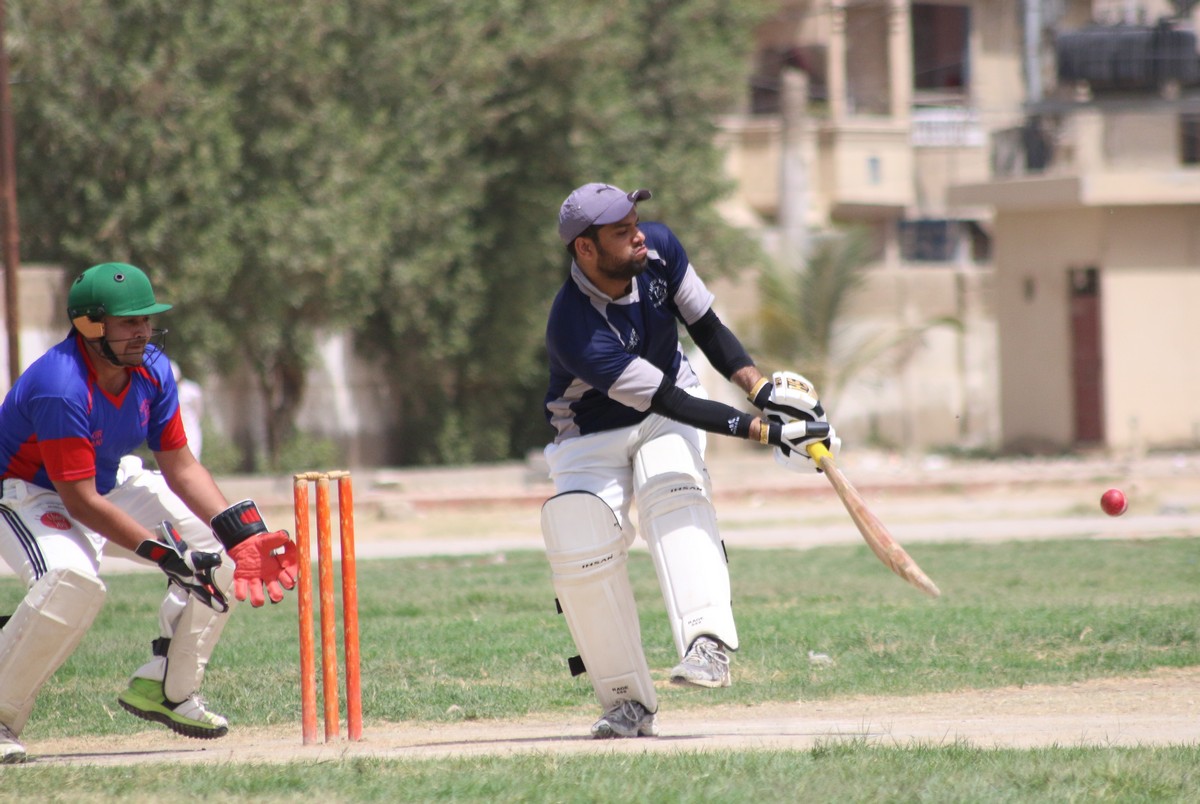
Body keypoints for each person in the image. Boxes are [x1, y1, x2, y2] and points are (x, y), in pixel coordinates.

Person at [541, 183, 840, 739]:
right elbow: (668, 400)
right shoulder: (574, 327)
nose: (638, 236)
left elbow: (706, 326)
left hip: (667, 405)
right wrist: (769, 432)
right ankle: (625, 701)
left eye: (636, 222)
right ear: (585, 249)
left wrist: (761, 392)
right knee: (579, 538)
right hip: (591, 432)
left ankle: (707, 643)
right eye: (621, 231)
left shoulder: (659, 249)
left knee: (673, 488)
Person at [0, 262, 300, 764]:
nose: (143, 331)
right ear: (90, 325)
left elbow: (180, 465)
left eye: (146, 319)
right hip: (27, 494)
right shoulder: (61, 384)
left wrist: (241, 533)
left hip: (105, 481)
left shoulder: (152, 368)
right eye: (128, 322)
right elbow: (79, 501)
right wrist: (166, 555)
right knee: (72, 583)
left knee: (221, 551)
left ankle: (167, 686)